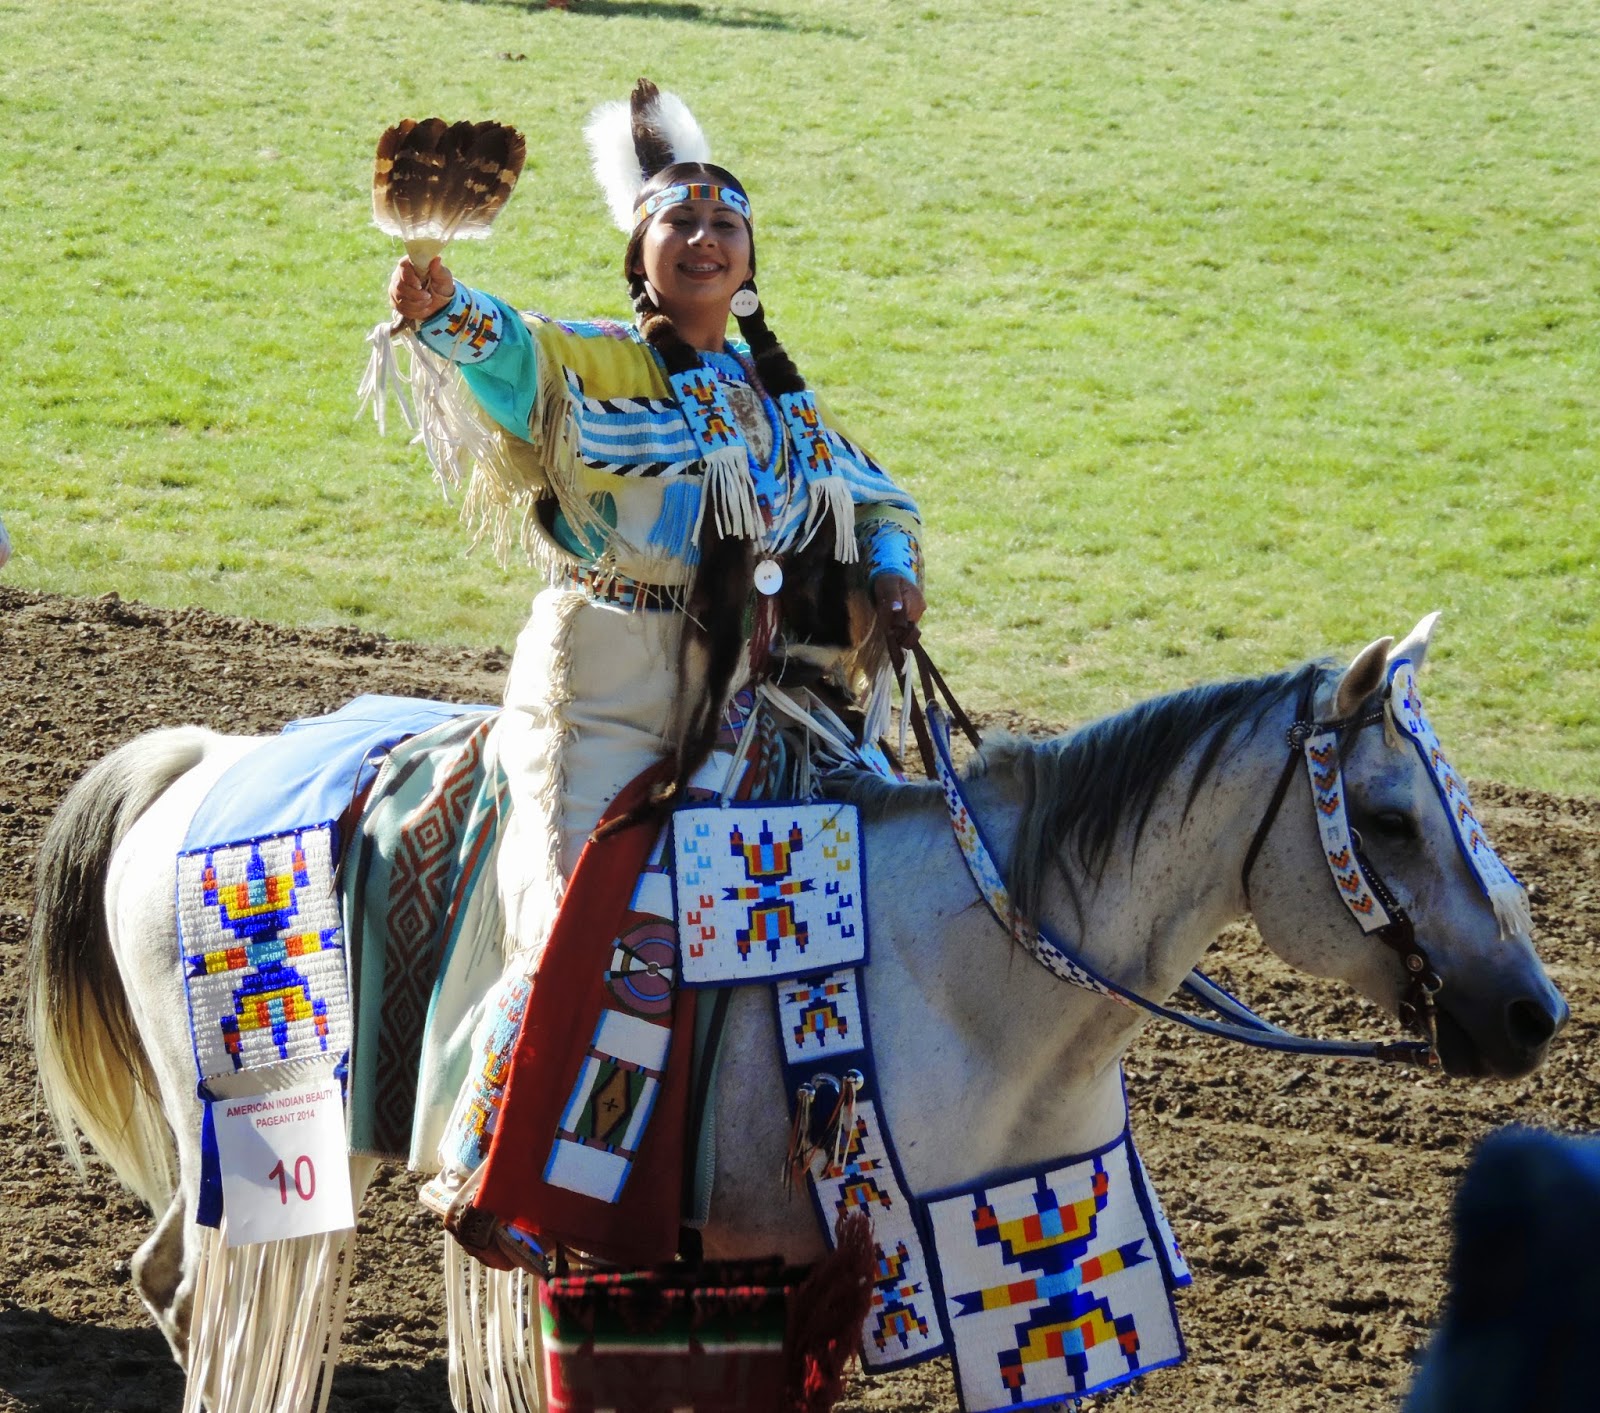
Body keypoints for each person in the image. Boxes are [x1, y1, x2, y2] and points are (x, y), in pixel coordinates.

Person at [386, 79, 927, 965]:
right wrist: (445, 308)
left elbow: (874, 503)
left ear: (750, 262)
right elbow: (520, 358)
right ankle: (508, 1098)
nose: (704, 241)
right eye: (680, 224)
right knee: (575, 938)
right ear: (642, 254)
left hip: (768, 706)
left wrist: (891, 572)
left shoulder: (781, 397)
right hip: (607, 695)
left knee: (869, 913)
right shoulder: (601, 359)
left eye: (725, 228)